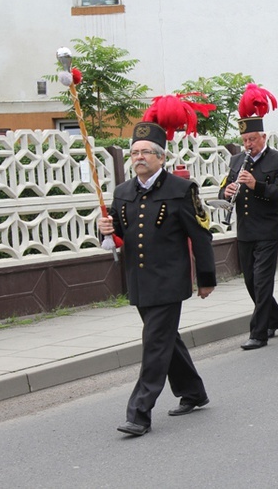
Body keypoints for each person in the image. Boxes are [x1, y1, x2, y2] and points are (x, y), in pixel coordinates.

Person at [98, 122, 216, 437]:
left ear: (160, 158)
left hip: (169, 281)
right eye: (134, 153)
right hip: (139, 281)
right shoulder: (123, 192)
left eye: (145, 152)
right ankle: (193, 391)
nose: (138, 157)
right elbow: (120, 233)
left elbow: (201, 236)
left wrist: (206, 278)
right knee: (166, 340)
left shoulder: (181, 190)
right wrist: (105, 230)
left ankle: (139, 413)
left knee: (154, 345)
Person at [219, 85, 278, 350]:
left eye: (252, 139)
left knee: (263, 281)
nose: (248, 144)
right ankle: (274, 317)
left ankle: (259, 333)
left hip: (268, 229)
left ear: (263, 136)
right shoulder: (237, 160)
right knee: (251, 281)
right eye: (244, 140)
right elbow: (224, 187)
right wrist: (226, 191)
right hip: (245, 229)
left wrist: (257, 186)